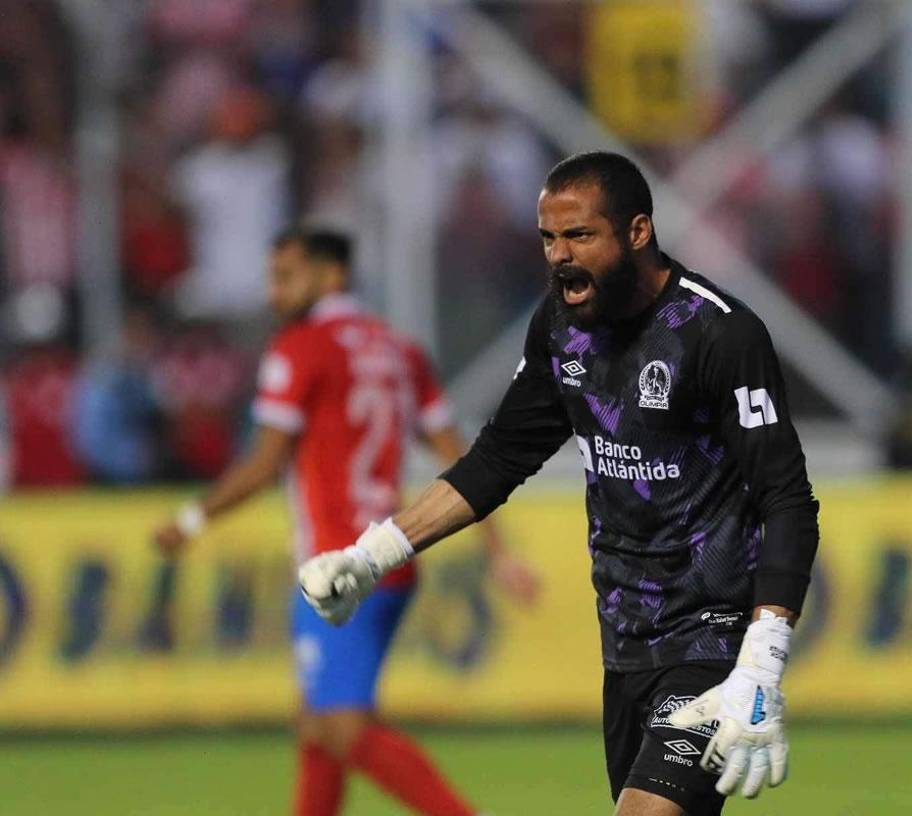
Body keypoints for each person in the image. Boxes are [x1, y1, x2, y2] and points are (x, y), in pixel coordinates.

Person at [298, 152, 820, 815]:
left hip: (714, 638)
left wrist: (763, 659)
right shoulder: (561, 326)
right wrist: (371, 557)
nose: (559, 256)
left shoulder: (718, 332)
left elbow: (786, 498)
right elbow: (497, 460)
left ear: (637, 232)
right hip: (627, 639)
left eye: (580, 236)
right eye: (549, 238)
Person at [152, 228, 537, 816]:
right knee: (319, 724)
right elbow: (464, 455)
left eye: (286, 276)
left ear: (331, 276)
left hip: (332, 565)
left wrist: (191, 519)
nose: (273, 292)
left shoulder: (300, 347)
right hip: (391, 556)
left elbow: (264, 463)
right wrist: (498, 549)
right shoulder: (400, 350)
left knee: (338, 725)